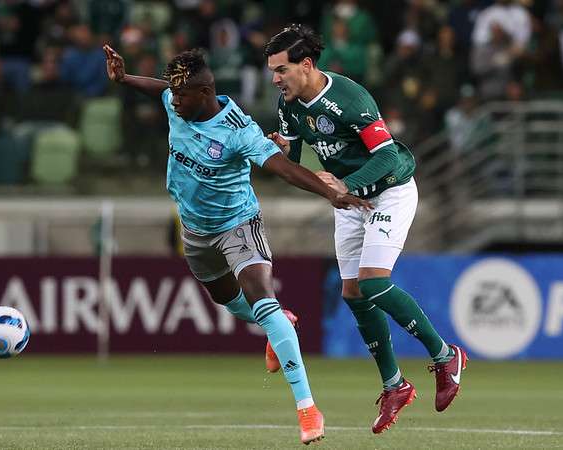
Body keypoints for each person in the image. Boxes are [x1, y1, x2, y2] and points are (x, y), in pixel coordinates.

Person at [104, 44, 371, 445]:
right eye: (173, 95)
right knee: (229, 302)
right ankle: (279, 322)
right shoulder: (177, 100)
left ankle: (307, 408)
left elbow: (284, 168)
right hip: (195, 231)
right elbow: (159, 88)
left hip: (238, 224)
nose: (172, 101)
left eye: (181, 95)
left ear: (205, 93)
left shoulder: (238, 130)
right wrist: (124, 79)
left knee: (261, 297)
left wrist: (329, 192)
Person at [263, 24, 469, 435]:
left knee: (374, 283)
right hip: (348, 200)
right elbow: (297, 147)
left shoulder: (350, 99)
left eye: (281, 70)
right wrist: (285, 149)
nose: (275, 78)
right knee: (353, 292)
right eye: (272, 70)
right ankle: (395, 385)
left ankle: (445, 356)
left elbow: (388, 156)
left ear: (306, 65)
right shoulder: (288, 103)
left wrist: (348, 185)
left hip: (389, 191)